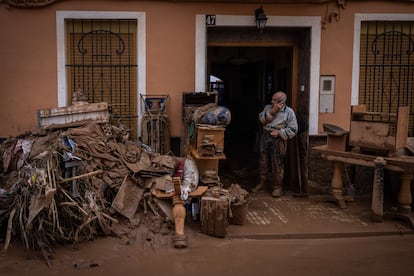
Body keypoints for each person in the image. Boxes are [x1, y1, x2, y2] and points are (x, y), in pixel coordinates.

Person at [252, 91, 298, 197]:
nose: (271, 101)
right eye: (272, 99)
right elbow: (261, 119)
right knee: (263, 161)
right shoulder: (268, 108)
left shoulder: (289, 112)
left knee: (277, 163)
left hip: (278, 139)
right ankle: (262, 184)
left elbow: (294, 129)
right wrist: (273, 111)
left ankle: (277, 187)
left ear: (281, 102)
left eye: (274, 100)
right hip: (265, 136)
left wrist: (280, 133)